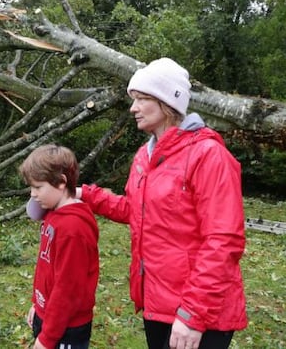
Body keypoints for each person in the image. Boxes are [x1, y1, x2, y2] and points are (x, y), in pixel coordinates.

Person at [76, 58, 247, 348]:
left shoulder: (208, 155)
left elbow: (223, 240)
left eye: (142, 98)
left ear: (168, 103)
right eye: (134, 99)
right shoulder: (145, 156)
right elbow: (136, 210)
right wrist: (86, 195)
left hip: (199, 310)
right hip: (157, 300)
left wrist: (192, 313)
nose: (133, 108)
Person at [20, 144, 99, 349]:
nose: (33, 194)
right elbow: (46, 268)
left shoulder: (73, 229)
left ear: (61, 182)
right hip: (48, 317)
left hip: (67, 328)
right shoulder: (53, 214)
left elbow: (68, 290)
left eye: (38, 187)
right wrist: (38, 305)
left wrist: (47, 338)